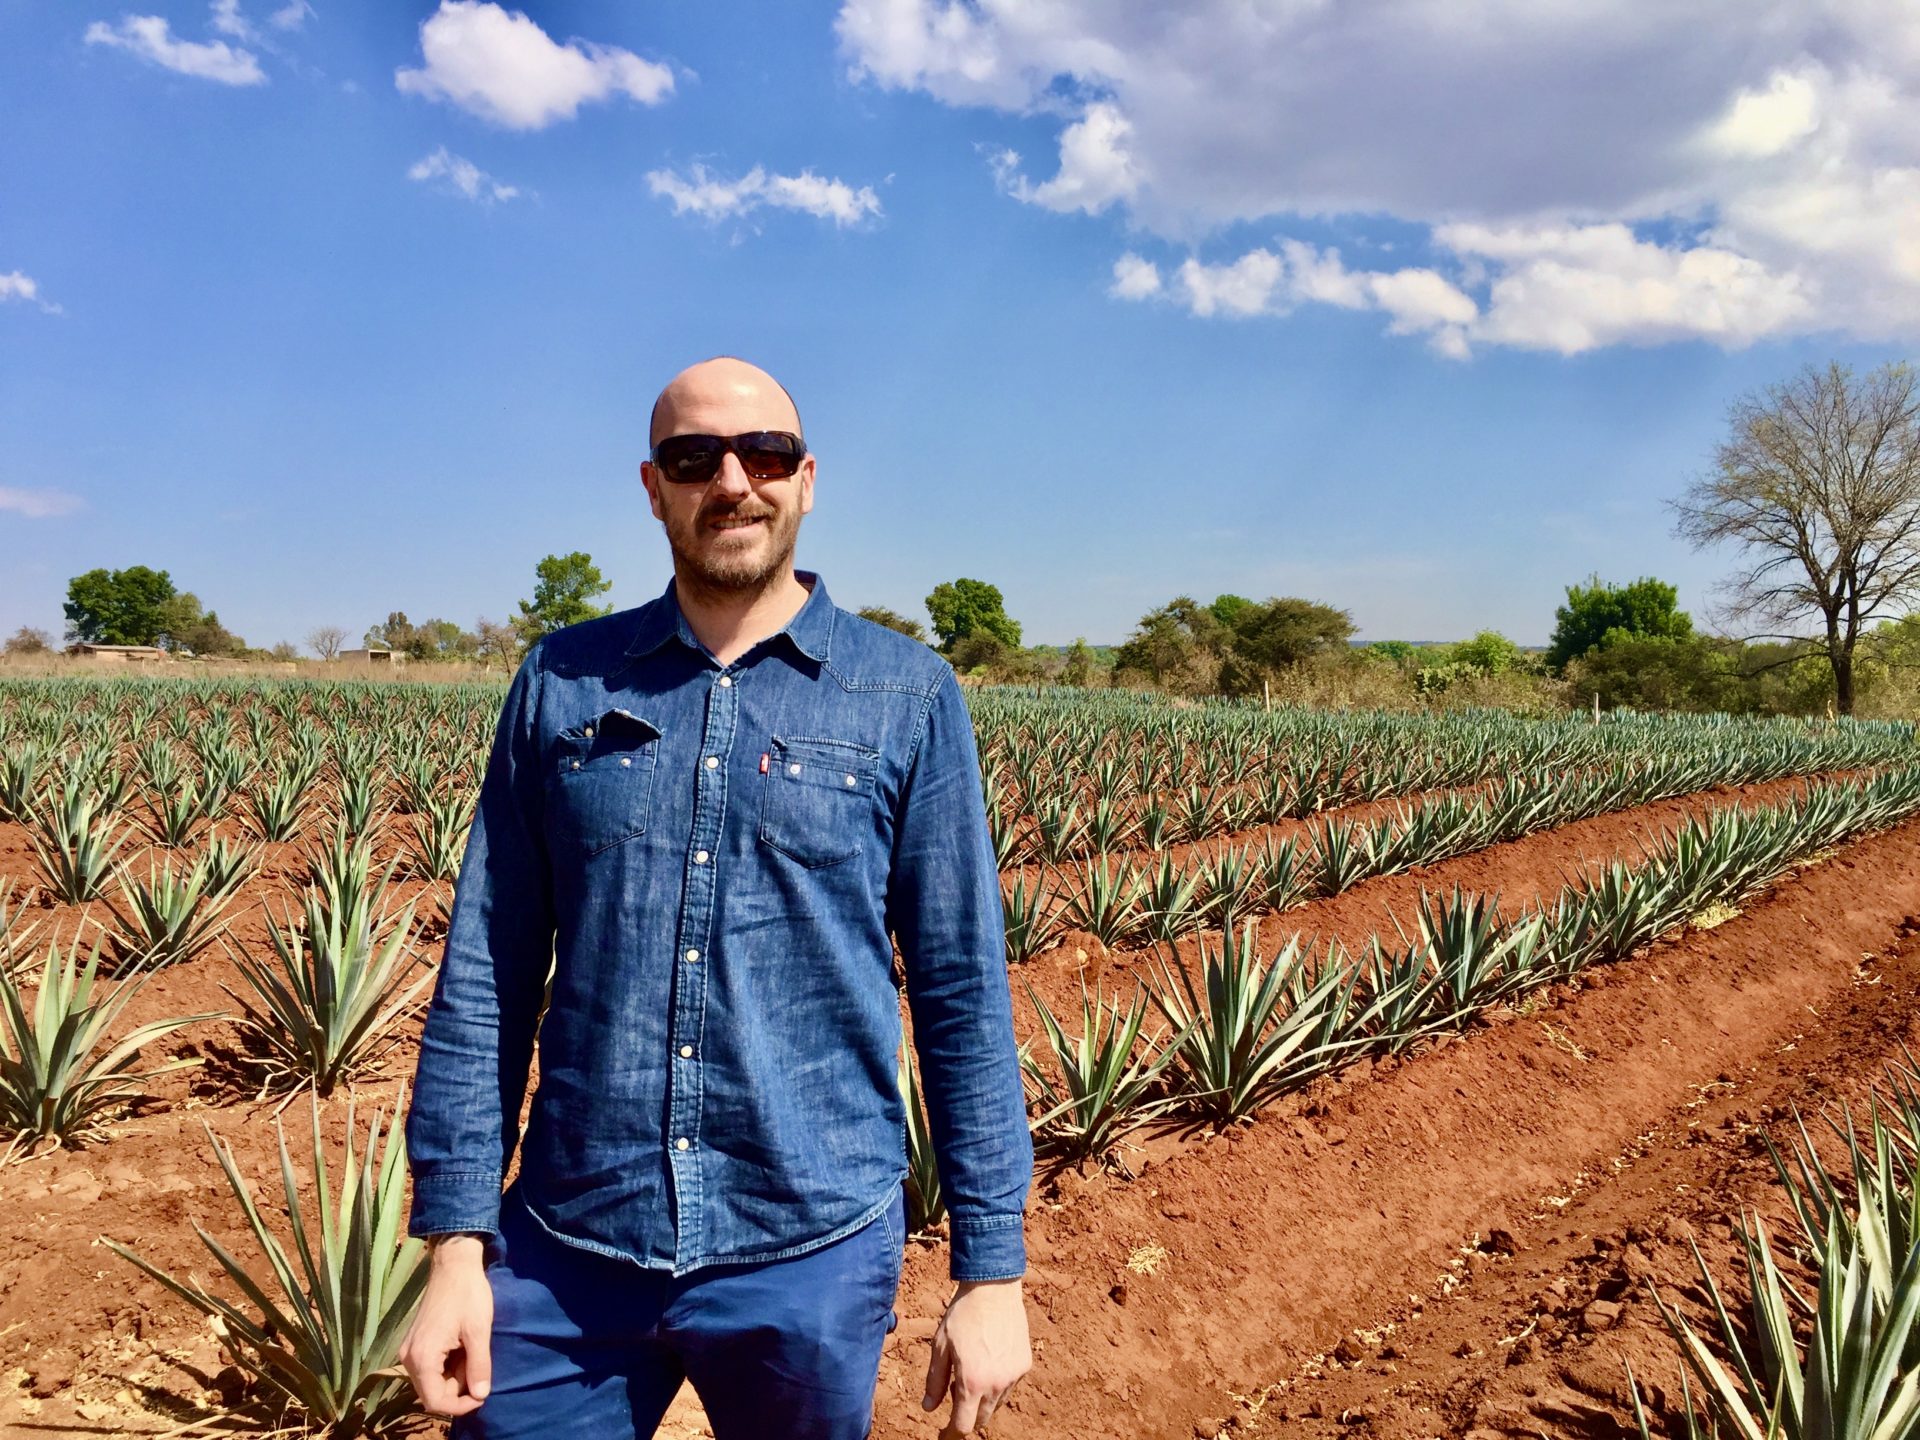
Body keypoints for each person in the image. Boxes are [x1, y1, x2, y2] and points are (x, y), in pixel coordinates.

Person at [399, 356, 1033, 1439]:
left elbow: (961, 988)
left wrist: (993, 1272)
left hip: (812, 1244)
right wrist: (456, 1245)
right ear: (654, 487)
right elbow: (487, 973)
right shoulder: (564, 682)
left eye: (765, 454)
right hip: (570, 1245)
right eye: (696, 459)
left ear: (807, 478)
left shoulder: (906, 693)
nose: (733, 481)